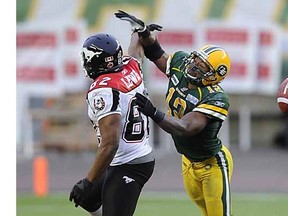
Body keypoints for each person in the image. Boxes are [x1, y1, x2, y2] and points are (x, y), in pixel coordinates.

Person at [115, 10, 234, 216]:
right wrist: (143, 33)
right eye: (196, 60)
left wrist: (153, 112)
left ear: (214, 77)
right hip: (188, 160)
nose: (194, 66)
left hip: (212, 163)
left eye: (202, 67)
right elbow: (155, 52)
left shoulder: (216, 97)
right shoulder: (180, 62)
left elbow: (186, 128)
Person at [68, 32, 157, 216]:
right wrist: (138, 32)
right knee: (87, 198)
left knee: (87, 190)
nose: (86, 63)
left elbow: (110, 144)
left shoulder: (104, 90)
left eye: (88, 58)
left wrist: (88, 181)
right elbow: (135, 51)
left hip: (129, 162)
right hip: (131, 155)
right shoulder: (130, 66)